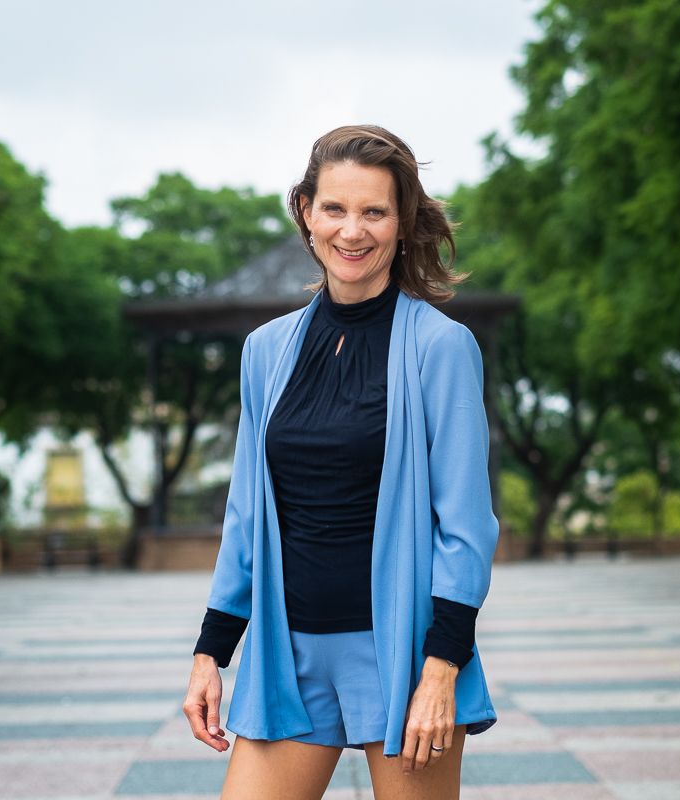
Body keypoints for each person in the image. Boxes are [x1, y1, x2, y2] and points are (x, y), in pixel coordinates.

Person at [182, 124, 499, 800]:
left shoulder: (442, 347)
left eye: (374, 211)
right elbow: (245, 515)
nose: (352, 231)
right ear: (306, 212)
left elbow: (467, 527)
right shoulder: (265, 351)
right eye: (334, 208)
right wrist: (212, 651)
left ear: (402, 221)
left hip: (405, 657)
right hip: (288, 658)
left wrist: (441, 668)